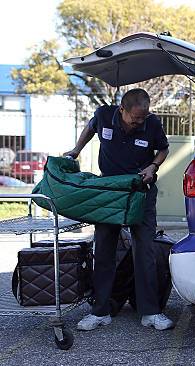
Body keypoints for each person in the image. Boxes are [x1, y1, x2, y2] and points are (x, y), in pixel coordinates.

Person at [64, 88, 174, 331]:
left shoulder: (152, 123)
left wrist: (153, 167)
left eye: (143, 117)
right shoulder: (104, 115)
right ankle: (100, 312)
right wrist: (76, 150)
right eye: (135, 117)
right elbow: (91, 127)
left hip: (140, 192)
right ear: (121, 110)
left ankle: (151, 312)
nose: (139, 122)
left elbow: (163, 149)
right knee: (103, 250)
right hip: (110, 193)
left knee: (144, 251)